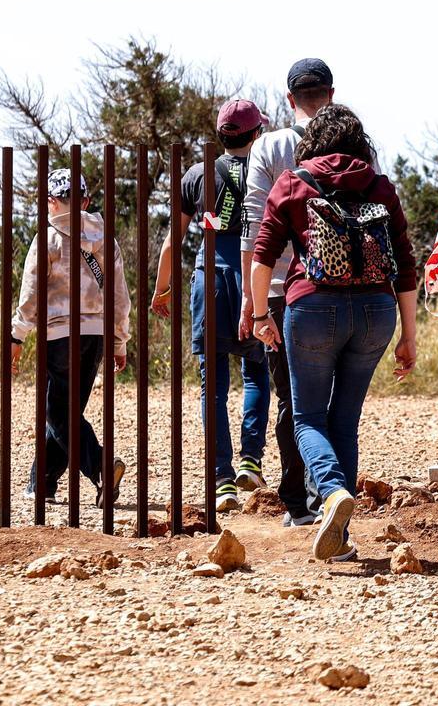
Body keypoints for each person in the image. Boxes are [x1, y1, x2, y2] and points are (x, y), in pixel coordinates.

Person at [250, 104, 418, 562]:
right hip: (376, 312)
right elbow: (405, 264)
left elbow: (263, 254)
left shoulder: (294, 181)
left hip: (312, 307)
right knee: (344, 420)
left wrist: (260, 316)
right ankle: (339, 536)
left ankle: (329, 493)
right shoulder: (380, 186)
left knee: (307, 417)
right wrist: (409, 335)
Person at [151, 99, 270, 512]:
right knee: (257, 374)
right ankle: (251, 460)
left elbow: (172, 243)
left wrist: (161, 289)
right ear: (256, 134)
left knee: (212, 386)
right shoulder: (264, 172)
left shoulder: (197, 174)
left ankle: (221, 480)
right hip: (253, 277)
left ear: (220, 135)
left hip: (209, 278)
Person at [238, 58, 339, 528]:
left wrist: (250, 303)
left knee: (292, 399)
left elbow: (252, 229)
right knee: (336, 397)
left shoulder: (269, 147)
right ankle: (333, 490)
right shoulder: (354, 140)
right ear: (332, 93)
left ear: (288, 98)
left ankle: (299, 501)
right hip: (346, 288)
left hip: (279, 290)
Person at [10, 168, 130, 507]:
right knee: (66, 410)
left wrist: (17, 336)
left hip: (60, 335)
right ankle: (42, 482)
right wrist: (119, 341)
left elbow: (31, 294)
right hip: (96, 336)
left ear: (50, 202)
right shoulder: (106, 237)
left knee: (58, 412)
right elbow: (120, 296)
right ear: (86, 201)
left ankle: (101, 466)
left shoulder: (47, 237)